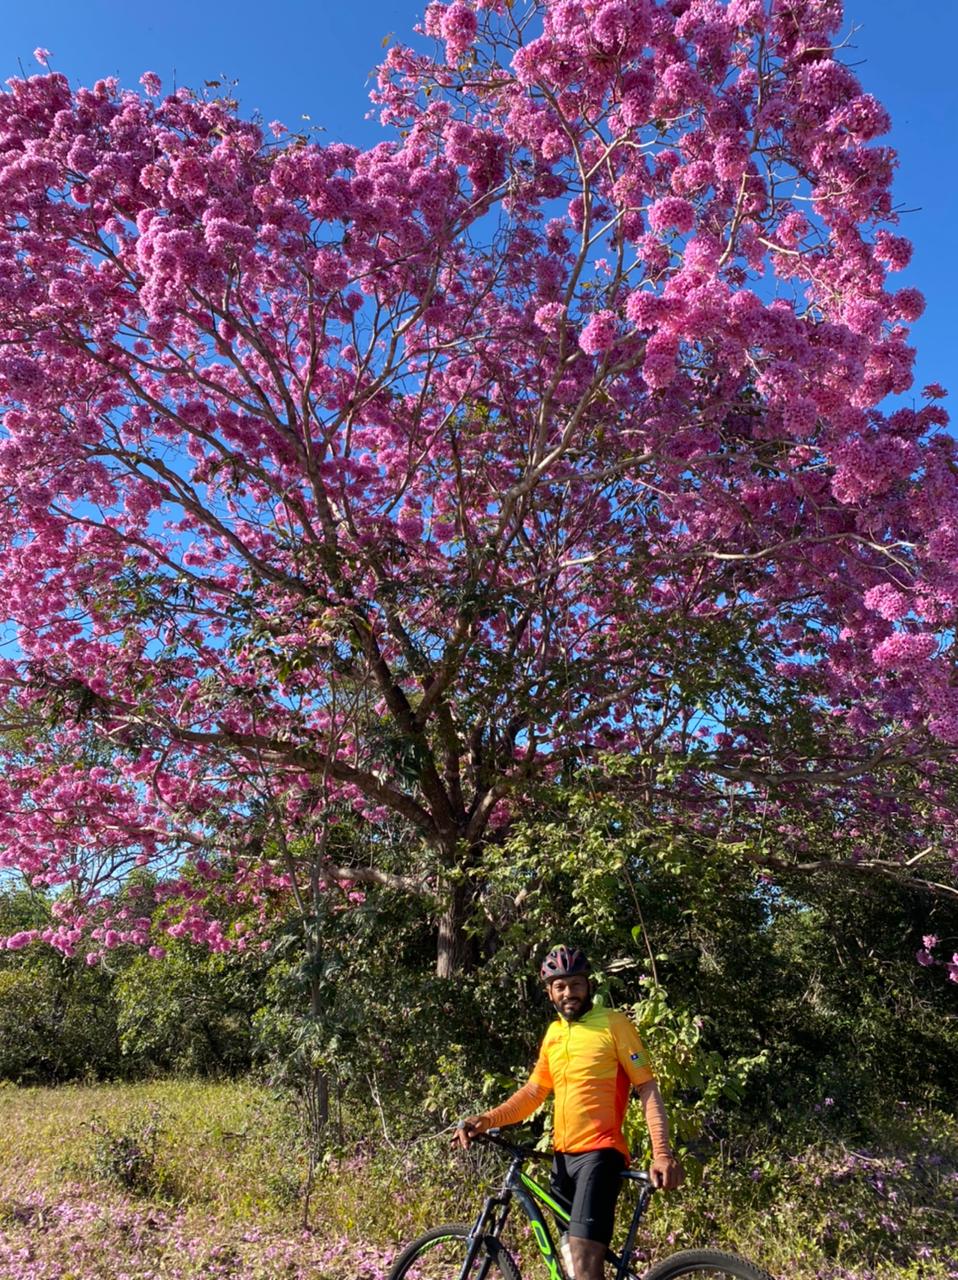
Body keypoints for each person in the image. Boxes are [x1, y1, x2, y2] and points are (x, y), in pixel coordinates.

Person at [455, 945, 684, 1280]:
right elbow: (533, 1093)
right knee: (573, 1266)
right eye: (560, 986)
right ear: (550, 993)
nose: (569, 992)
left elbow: (647, 1086)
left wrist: (661, 1152)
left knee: (584, 1259)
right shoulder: (554, 1034)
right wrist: (487, 1119)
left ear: (588, 985)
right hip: (562, 1161)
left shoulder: (613, 1024)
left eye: (575, 984)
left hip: (600, 1154)